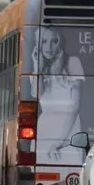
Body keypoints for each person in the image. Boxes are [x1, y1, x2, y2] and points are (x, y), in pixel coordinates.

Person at [28, 27, 84, 164]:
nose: (49, 47)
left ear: (60, 43)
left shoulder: (73, 62)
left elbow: (74, 106)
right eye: (44, 42)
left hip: (68, 131)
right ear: (38, 45)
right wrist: (37, 66)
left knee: (71, 177)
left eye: (54, 41)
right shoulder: (38, 71)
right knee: (41, 180)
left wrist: (60, 142)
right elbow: (36, 94)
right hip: (44, 132)